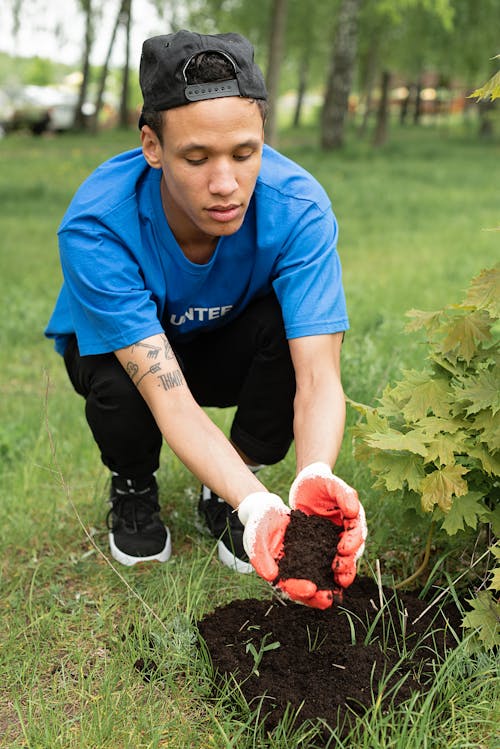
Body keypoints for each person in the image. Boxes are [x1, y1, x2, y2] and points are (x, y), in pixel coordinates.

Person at [45, 30, 366, 609]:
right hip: (131, 362)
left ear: (263, 137)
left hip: (223, 343)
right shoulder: (97, 226)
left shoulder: (299, 208)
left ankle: (230, 481)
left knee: (286, 330)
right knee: (121, 388)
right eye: (196, 158)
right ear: (152, 145)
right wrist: (256, 503)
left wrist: (309, 480)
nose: (226, 184)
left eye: (245, 154)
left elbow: (319, 377)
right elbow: (169, 399)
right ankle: (135, 485)